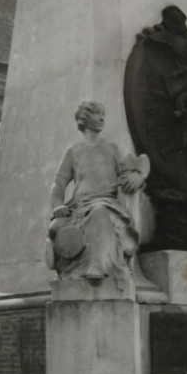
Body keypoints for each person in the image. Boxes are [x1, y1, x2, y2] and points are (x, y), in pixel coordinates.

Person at [47, 101, 149, 287]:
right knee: (60, 228)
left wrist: (140, 176)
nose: (102, 118)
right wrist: (57, 205)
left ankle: (98, 266)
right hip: (79, 206)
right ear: (84, 119)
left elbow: (137, 166)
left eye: (103, 114)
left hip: (108, 204)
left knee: (100, 212)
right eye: (96, 114)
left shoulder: (113, 149)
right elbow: (59, 183)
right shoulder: (74, 151)